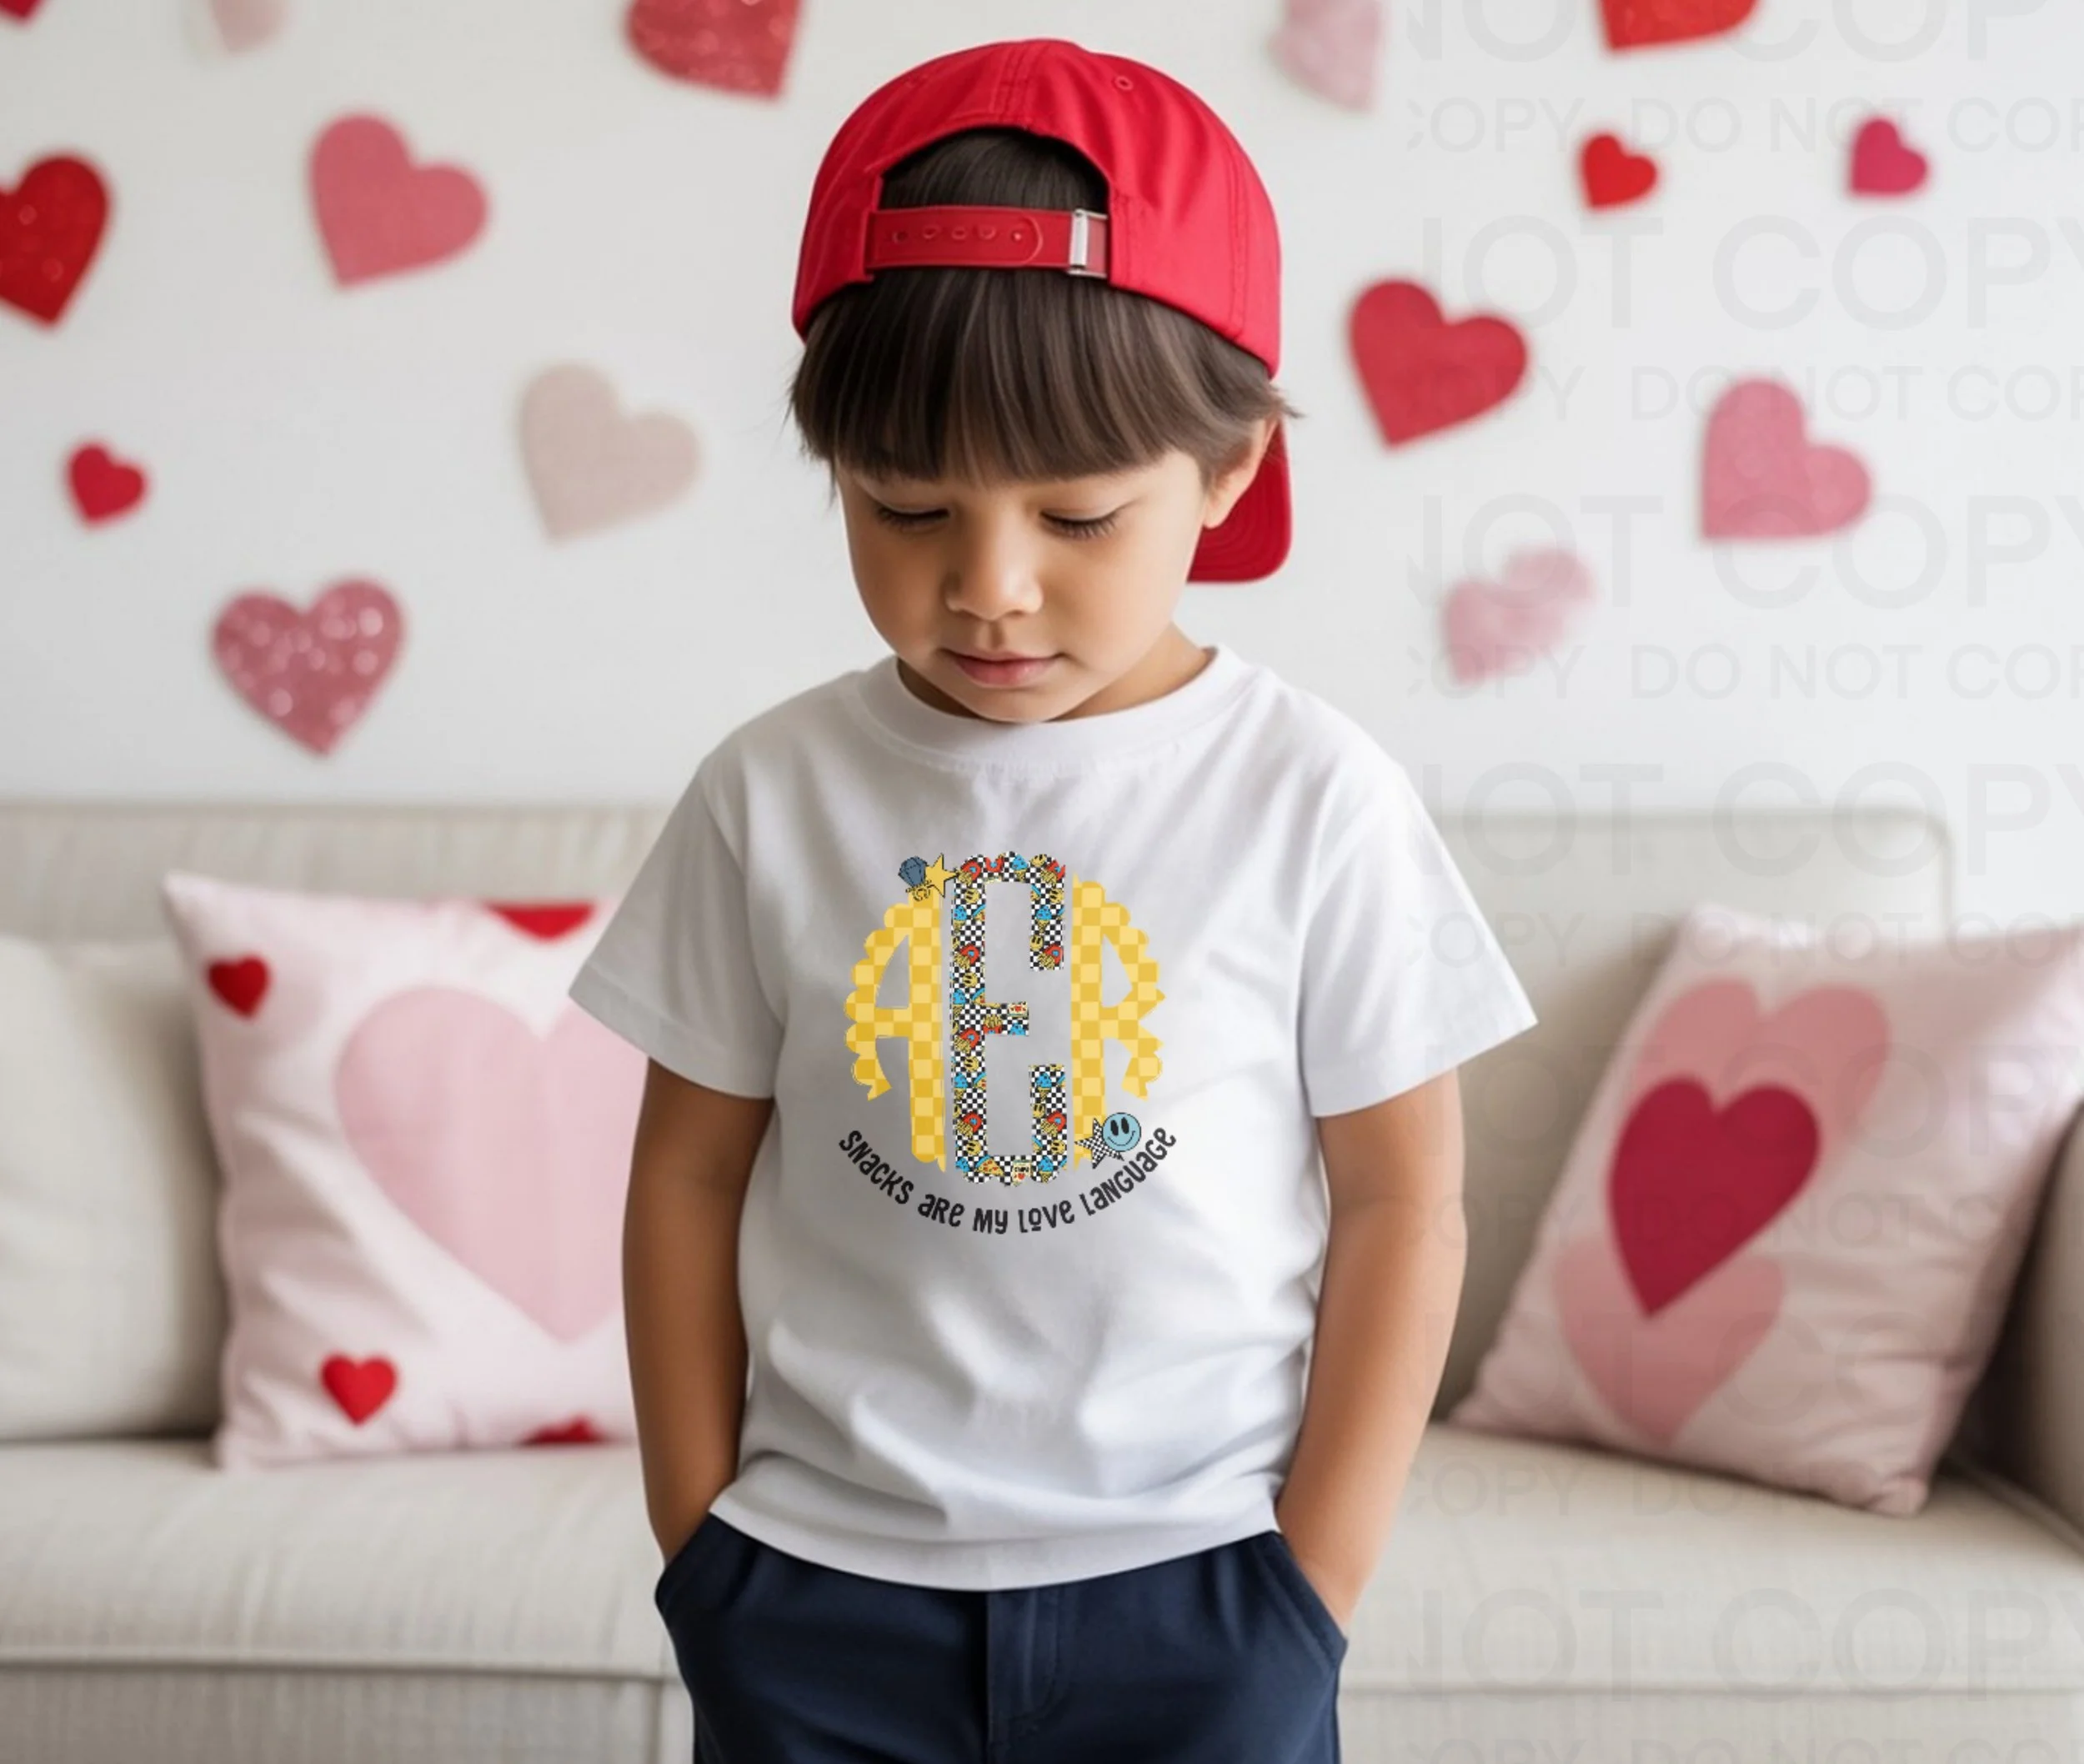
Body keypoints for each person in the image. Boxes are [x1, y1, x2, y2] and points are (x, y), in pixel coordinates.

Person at [567, 35, 1538, 1763]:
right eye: (905, 505)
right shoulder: (768, 793)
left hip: (1201, 1595)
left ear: (1227, 471)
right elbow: (687, 1167)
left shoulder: (1311, 798)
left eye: (1077, 513)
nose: (988, 586)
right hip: (809, 1594)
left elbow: (1404, 1202)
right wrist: (697, 1540)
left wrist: (1307, 1588)